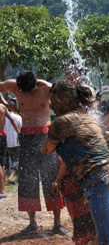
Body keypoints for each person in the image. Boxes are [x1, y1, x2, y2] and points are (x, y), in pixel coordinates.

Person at [42, 80, 109, 244]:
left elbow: (46, 149)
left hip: (101, 181)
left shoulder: (61, 123)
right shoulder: (88, 117)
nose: (51, 105)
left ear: (62, 100)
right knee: (108, 238)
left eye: (53, 100)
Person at [0, 71, 67, 234]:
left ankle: (57, 223)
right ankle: (32, 222)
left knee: (50, 177)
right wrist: (7, 105)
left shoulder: (46, 88)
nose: (25, 94)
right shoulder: (15, 86)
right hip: (26, 137)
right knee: (27, 180)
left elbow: (66, 96)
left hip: (45, 136)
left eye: (28, 91)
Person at [0, 97, 20, 198]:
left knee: (3, 163)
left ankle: (3, 189)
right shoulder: (3, 108)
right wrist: (18, 133)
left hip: (5, 138)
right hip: (4, 136)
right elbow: (12, 120)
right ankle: (2, 189)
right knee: (3, 164)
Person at [5, 99, 21, 185]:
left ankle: (18, 178)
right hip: (16, 142)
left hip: (7, 142)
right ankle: (11, 177)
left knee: (12, 159)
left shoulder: (3, 118)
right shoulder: (18, 117)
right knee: (17, 160)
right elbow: (21, 130)